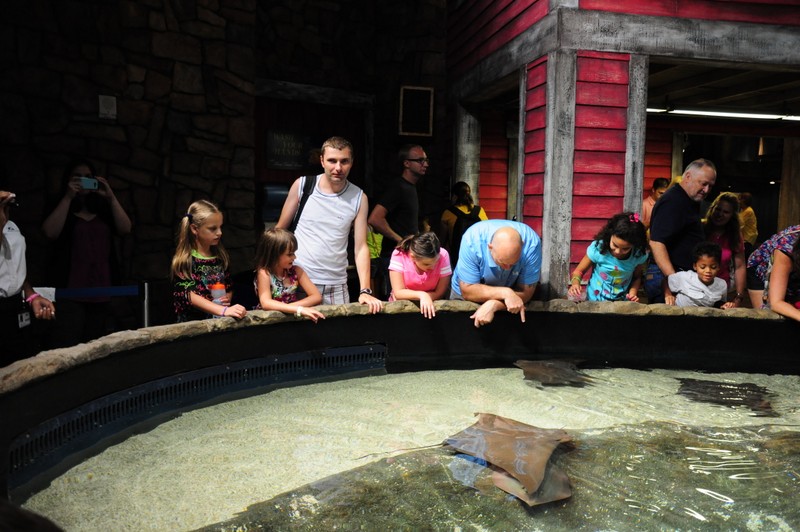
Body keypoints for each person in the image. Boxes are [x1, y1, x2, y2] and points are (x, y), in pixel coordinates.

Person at [276, 136, 382, 313]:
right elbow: (280, 231)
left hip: (337, 285)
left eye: (344, 161)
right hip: (298, 280)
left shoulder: (359, 197)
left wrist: (365, 290)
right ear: (322, 161)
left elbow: (361, 247)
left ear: (352, 162)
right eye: (332, 161)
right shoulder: (303, 185)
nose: (338, 168)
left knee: (338, 331)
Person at [41, 159, 132, 347]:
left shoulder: (103, 209)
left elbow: (125, 228)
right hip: (70, 290)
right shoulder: (61, 205)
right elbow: (50, 232)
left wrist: (110, 197)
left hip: (101, 288)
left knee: (97, 343)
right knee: (68, 342)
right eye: (78, 177)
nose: (83, 181)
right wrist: (68, 197)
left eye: (88, 177)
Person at [646, 158, 717, 305]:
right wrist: (675, 281)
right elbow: (656, 243)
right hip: (667, 278)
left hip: (678, 276)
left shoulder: (690, 199)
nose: (706, 190)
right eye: (703, 184)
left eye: (710, 186)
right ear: (688, 176)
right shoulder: (673, 201)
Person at [450, 219, 541, 328]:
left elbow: (526, 293)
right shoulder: (472, 241)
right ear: (490, 247)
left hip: (510, 297)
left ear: (522, 245)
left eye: (513, 263)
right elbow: (467, 290)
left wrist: (494, 304)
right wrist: (505, 293)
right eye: (502, 262)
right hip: (466, 294)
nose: (507, 268)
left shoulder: (532, 245)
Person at [1, 190, 56, 366]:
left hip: (14, 307)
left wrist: (31, 294)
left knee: (22, 365)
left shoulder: (12, 226)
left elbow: (14, 266)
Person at [171, 199, 247, 322]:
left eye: (220, 227)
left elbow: (228, 285)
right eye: (213, 229)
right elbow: (188, 295)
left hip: (218, 320)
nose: (219, 233)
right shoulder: (185, 261)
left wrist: (226, 298)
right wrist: (222, 310)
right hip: (193, 325)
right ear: (194, 229)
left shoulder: (220, 257)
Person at [368, 144, 428, 298]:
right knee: (395, 302)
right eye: (420, 160)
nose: (425, 164)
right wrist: (400, 240)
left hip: (409, 255)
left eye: (426, 160)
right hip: (394, 256)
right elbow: (375, 218)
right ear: (406, 163)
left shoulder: (413, 187)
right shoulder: (398, 187)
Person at [568, 212, 649, 302]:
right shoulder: (599, 249)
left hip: (621, 303)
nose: (618, 251)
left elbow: (637, 277)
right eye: (615, 245)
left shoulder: (637, 255)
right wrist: (575, 284)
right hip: (594, 301)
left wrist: (633, 293)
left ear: (635, 245)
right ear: (610, 235)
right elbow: (578, 271)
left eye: (625, 249)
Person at [254, 227, 325, 323]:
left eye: (294, 253)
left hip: (291, 319)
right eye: (289, 254)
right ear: (274, 255)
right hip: (270, 321)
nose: (294, 257)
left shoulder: (297, 271)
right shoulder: (264, 273)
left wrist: (289, 308)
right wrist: (299, 309)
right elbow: (266, 303)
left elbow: (316, 296)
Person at [388, 232, 452, 319]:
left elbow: (440, 292)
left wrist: (425, 298)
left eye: (436, 262)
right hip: (401, 310)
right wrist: (422, 295)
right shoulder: (399, 255)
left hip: (431, 309)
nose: (433, 267)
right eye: (426, 264)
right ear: (412, 257)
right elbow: (398, 292)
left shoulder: (443, 255)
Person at [746, 225, 800, 322]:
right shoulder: (786, 247)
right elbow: (776, 303)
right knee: (767, 319)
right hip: (761, 269)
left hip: (794, 273)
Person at [702, 192, 746, 308]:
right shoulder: (700, 228)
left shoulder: (735, 235)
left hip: (721, 292)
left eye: (726, 212)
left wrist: (738, 297)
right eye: (718, 209)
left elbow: (740, 266)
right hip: (696, 288)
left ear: (732, 215)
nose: (720, 214)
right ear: (712, 208)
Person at [440, 181, 488, 266]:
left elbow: (443, 239)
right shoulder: (480, 210)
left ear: (454, 196)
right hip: (477, 256)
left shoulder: (448, 213)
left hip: (457, 257)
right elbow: (486, 233)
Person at [668, 241, 728, 308]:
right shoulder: (685, 277)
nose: (708, 271)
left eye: (713, 267)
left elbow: (719, 303)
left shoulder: (722, 285)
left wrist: (724, 305)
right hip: (680, 313)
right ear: (695, 266)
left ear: (719, 267)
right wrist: (668, 295)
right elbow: (666, 281)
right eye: (702, 267)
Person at [738, 191, 758, 258]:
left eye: (740, 199)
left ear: (744, 200)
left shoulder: (748, 211)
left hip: (747, 238)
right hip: (746, 238)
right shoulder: (744, 210)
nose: (738, 201)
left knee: (744, 257)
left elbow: (740, 224)